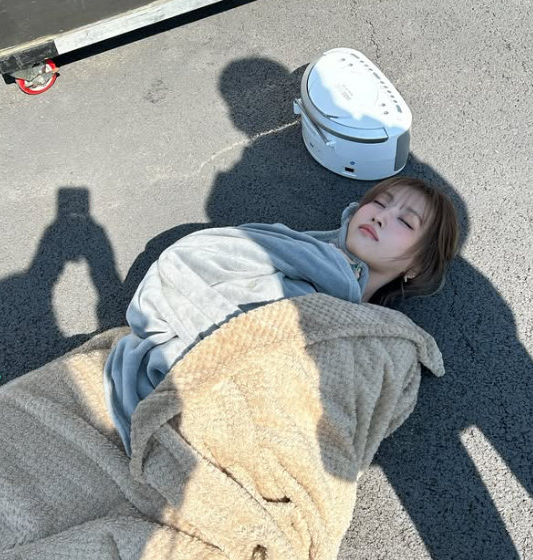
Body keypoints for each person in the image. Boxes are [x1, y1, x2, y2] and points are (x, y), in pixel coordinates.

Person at [104, 176, 459, 453]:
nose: (380, 216)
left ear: (417, 266)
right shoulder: (304, 251)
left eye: (405, 222)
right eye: (379, 203)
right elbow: (199, 259)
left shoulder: (374, 333)